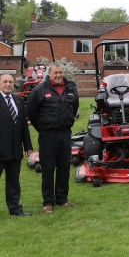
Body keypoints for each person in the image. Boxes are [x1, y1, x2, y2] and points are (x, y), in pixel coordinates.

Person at [26, 62, 79, 213]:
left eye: (60, 72)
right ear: (49, 74)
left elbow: (74, 107)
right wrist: (42, 128)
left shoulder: (71, 88)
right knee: (48, 168)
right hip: (47, 135)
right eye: (55, 73)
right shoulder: (40, 90)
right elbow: (31, 111)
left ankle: (62, 198)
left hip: (65, 133)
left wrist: (67, 121)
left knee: (64, 166)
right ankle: (48, 201)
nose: (58, 75)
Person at [0, 74, 33, 216]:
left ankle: (15, 209)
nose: (8, 84)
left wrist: (27, 145)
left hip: (14, 150)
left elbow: (23, 127)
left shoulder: (19, 101)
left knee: (14, 182)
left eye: (10, 82)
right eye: (5, 82)